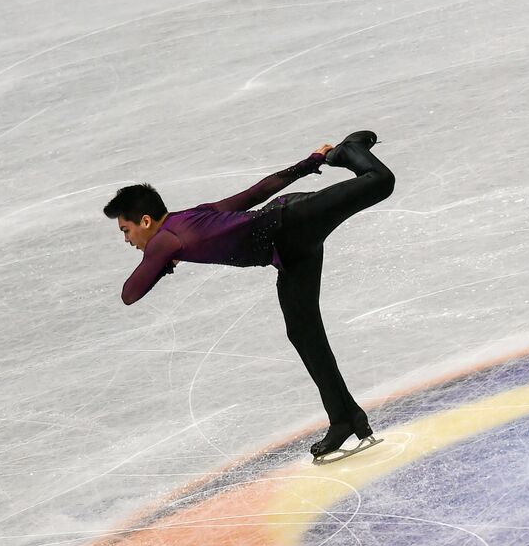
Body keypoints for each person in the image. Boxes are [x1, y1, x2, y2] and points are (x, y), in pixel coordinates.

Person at [104, 131, 394, 460]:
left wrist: (162, 263)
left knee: (380, 181)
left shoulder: (164, 241)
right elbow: (255, 193)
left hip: (293, 220)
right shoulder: (188, 218)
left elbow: (130, 293)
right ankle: (345, 419)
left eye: (126, 230)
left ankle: (351, 150)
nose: (127, 239)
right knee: (302, 332)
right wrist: (308, 163)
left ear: (145, 221)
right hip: (290, 252)